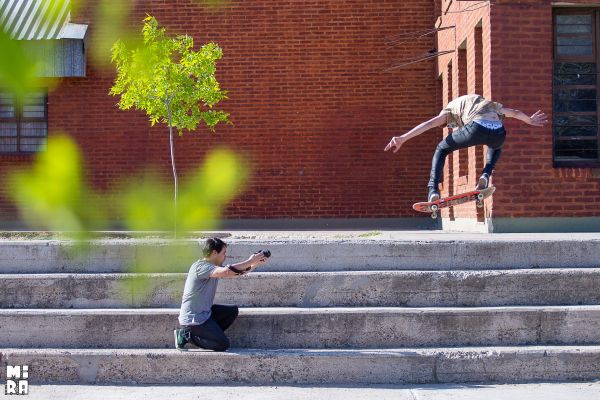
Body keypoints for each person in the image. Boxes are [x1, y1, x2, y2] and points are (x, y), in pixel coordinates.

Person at [384, 94, 548, 202]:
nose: (452, 125)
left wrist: (403, 137)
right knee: (496, 146)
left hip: (476, 126)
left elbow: (428, 124)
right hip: (499, 130)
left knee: (441, 148)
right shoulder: (487, 104)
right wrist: (530, 120)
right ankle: (486, 173)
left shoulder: (450, 110)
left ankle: (432, 190)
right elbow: (514, 112)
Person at [174, 237, 269, 351]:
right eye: (224, 253)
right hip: (193, 319)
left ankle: (210, 335)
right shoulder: (200, 266)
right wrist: (250, 261)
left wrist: (255, 263)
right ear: (214, 253)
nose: (225, 256)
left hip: (204, 314)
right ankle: (186, 335)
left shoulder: (213, 268)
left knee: (231, 311)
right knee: (222, 345)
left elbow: (236, 273)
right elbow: (227, 271)